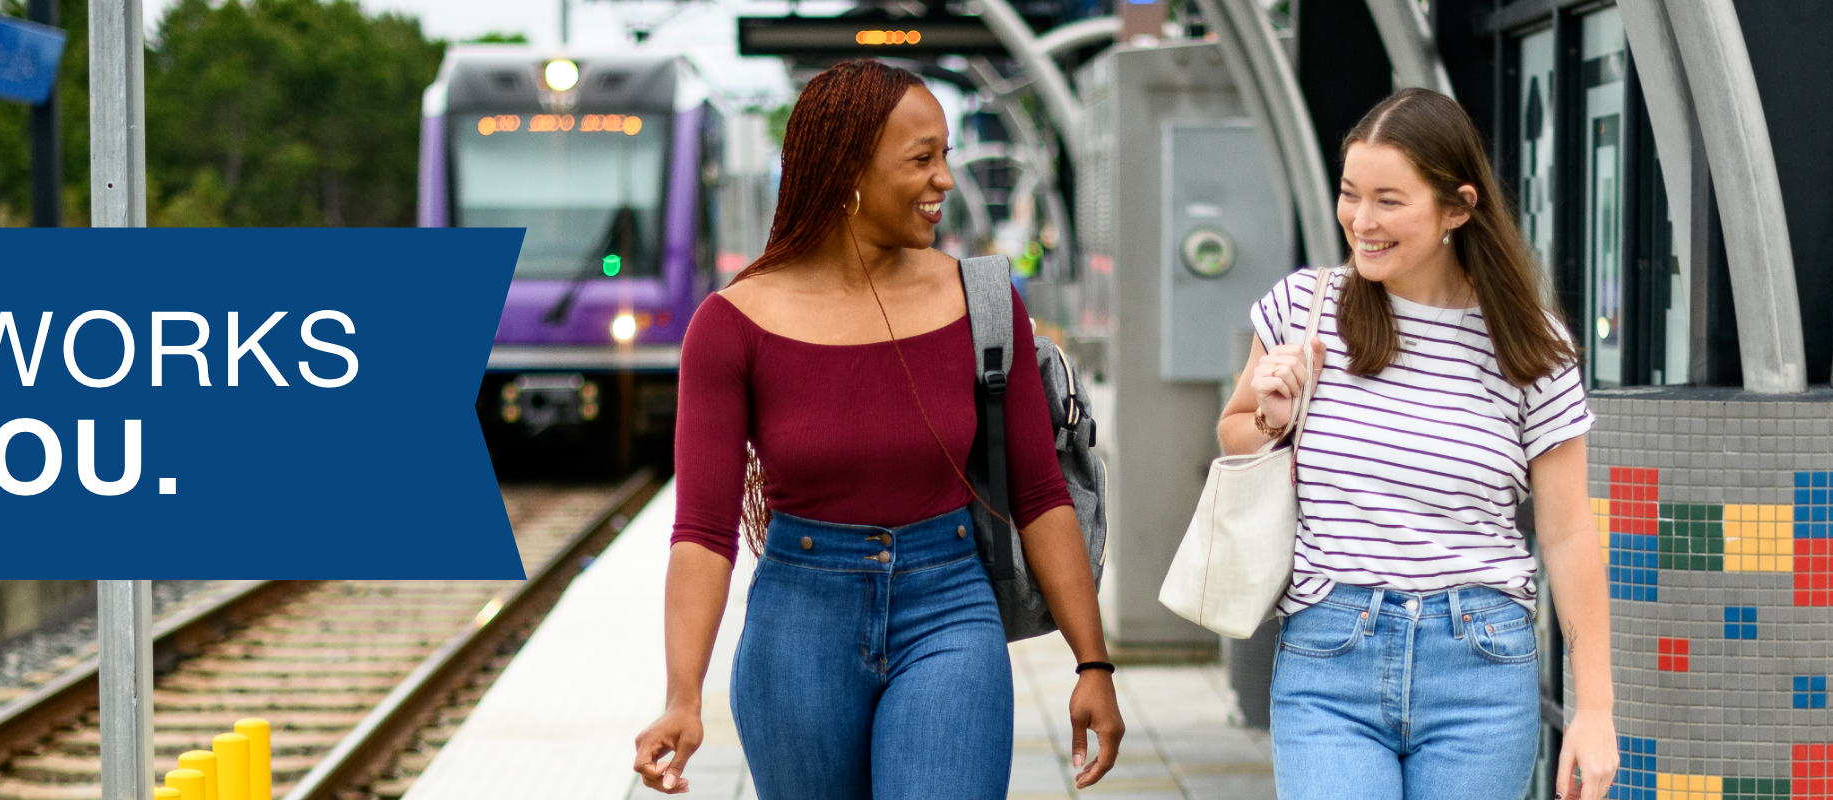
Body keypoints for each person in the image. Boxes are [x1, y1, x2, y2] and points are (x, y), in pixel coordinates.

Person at [629, 60, 1126, 799]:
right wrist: (681, 694)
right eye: (921, 160)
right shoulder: (731, 325)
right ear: (847, 171)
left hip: (951, 605)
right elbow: (703, 531)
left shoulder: (986, 302)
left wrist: (1093, 664)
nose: (945, 182)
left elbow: (1040, 490)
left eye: (946, 156)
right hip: (798, 621)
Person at [1218, 88, 1616, 800]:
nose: (1361, 222)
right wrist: (1275, 417)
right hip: (1329, 652)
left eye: (1388, 201)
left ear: (1457, 208)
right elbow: (1235, 433)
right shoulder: (1305, 308)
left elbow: (1567, 531)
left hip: (1480, 663)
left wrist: (1596, 710)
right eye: (1350, 194)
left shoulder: (1531, 346)